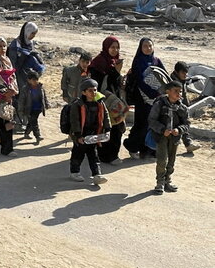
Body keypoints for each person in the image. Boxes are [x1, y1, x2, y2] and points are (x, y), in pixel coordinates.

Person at [123, 38, 166, 159]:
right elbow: (140, 81)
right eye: (145, 46)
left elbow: (164, 75)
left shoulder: (156, 61)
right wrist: (151, 93)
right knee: (141, 123)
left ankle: (148, 150)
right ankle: (132, 146)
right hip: (142, 98)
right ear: (140, 48)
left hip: (156, 99)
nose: (148, 48)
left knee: (153, 124)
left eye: (150, 46)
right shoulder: (138, 61)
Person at [88, 36, 127, 165]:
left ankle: (111, 154)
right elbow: (96, 84)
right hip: (103, 100)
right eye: (112, 47)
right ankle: (106, 156)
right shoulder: (98, 63)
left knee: (118, 126)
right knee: (106, 126)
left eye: (117, 47)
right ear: (106, 47)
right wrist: (115, 72)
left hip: (115, 100)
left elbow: (116, 83)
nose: (115, 50)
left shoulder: (114, 62)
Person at [149, 82, 190, 195]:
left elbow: (187, 124)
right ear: (168, 92)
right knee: (162, 160)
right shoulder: (159, 105)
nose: (178, 93)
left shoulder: (182, 108)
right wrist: (162, 130)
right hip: (161, 137)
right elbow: (152, 121)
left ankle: (168, 181)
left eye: (180, 91)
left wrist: (179, 130)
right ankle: (160, 182)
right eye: (175, 91)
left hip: (175, 138)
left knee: (171, 161)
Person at [68, 78, 110, 185]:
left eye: (95, 90)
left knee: (93, 155)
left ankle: (97, 175)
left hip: (93, 134)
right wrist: (78, 136)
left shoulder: (99, 103)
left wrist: (107, 129)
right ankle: (75, 172)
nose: (93, 93)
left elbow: (105, 116)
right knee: (78, 154)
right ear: (84, 92)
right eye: (90, 90)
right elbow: (75, 121)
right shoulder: (77, 105)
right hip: (81, 134)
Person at [170, 61, 200, 153]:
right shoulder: (173, 82)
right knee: (181, 125)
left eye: (186, 73)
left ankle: (187, 144)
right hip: (174, 109)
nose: (185, 75)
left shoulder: (181, 80)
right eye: (183, 72)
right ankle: (187, 144)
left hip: (181, 108)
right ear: (176, 72)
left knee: (183, 125)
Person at [18, 71, 49, 143]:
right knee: (34, 122)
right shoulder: (25, 89)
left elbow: (44, 96)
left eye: (36, 80)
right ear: (29, 80)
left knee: (32, 122)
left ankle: (26, 133)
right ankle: (38, 136)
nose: (35, 81)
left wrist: (46, 104)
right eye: (33, 80)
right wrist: (21, 110)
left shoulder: (40, 87)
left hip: (38, 108)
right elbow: (21, 100)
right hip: (29, 109)